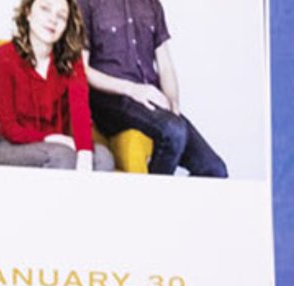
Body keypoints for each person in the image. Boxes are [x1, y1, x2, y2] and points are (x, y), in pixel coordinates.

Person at [79, 0, 228, 177]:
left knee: (214, 169)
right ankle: (154, 202)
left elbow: (165, 66)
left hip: (149, 101)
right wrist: (132, 89)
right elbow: (82, 70)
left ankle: (160, 200)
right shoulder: (86, 3)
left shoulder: (152, 4)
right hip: (110, 99)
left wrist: (172, 102)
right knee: (173, 131)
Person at [0, 0, 114, 171]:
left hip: (59, 144)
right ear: (28, 13)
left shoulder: (71, 60)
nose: (53, 19)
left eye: (61, 16)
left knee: (102, 158)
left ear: (66, 25)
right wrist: (53, 138)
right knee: (62, 155)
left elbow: (80, 112)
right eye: (45, 9)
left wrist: (84, 151)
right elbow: (10, 128)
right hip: (12, 145)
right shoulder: (4, 57)